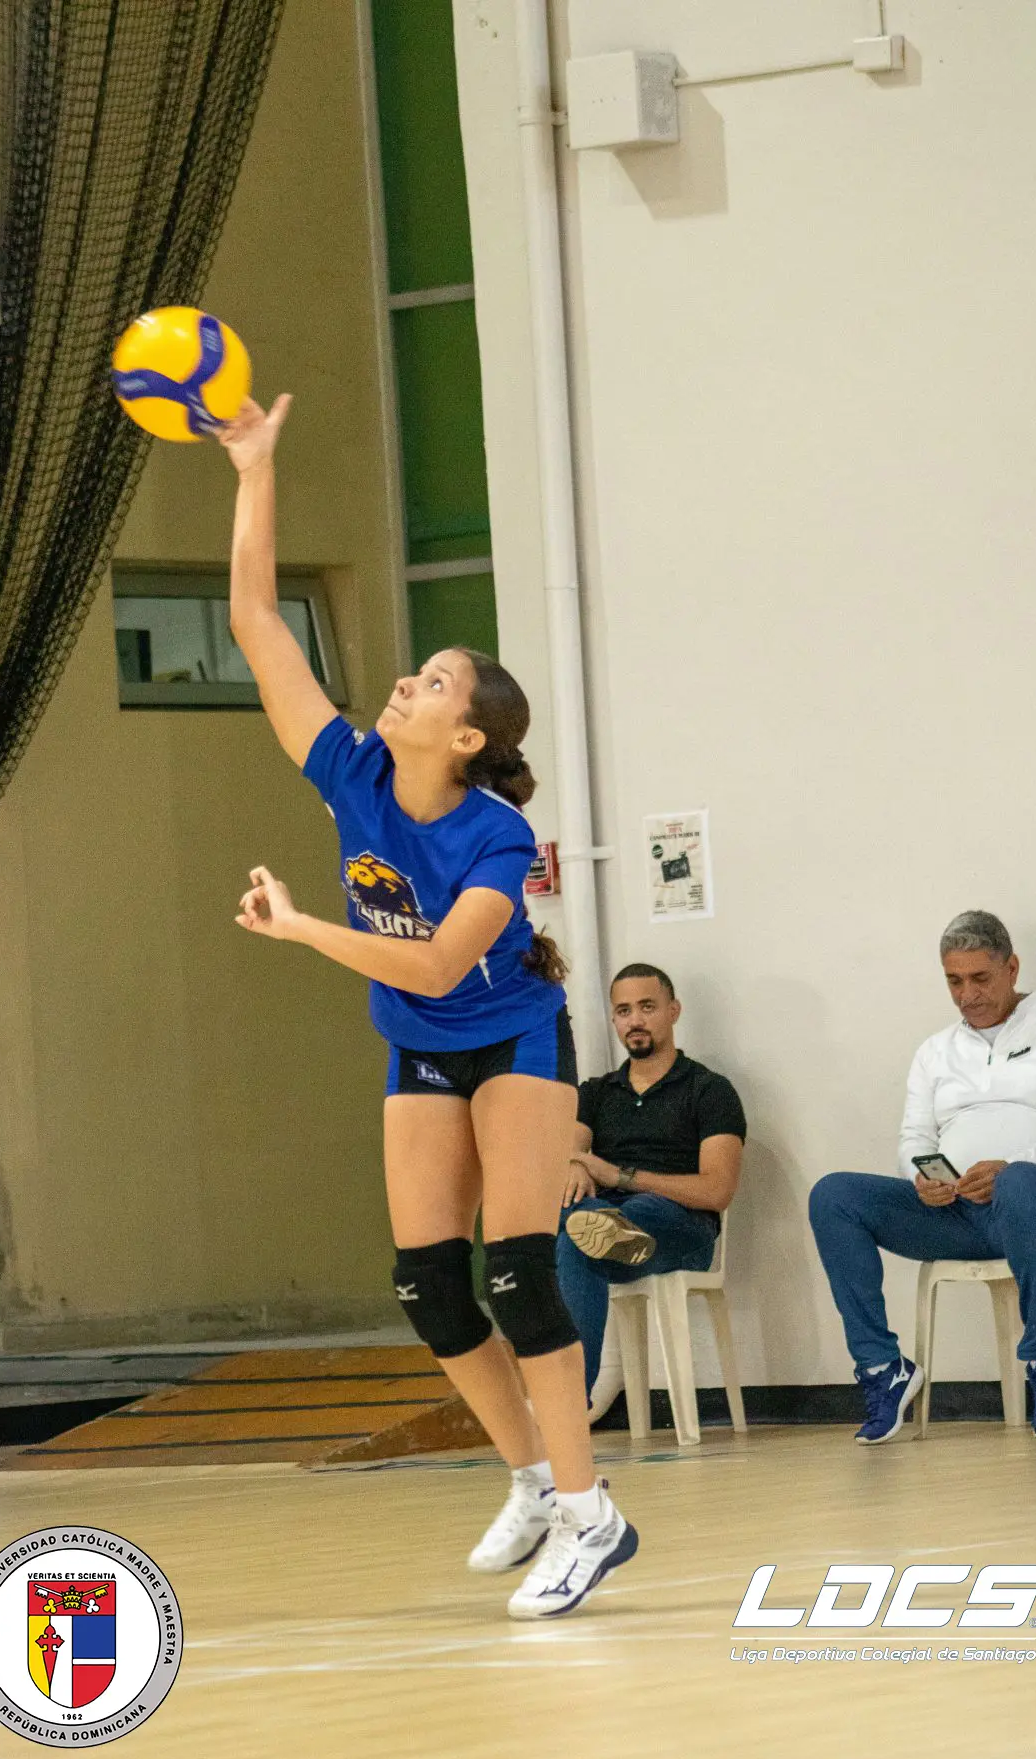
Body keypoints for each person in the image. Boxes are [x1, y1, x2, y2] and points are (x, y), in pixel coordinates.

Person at [216, 393, 637, 1618]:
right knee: (430, 1288)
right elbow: (254, 623)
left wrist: (303, 928)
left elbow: (444, 968)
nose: (406, 681)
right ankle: (530, 1479)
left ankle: (591, 1513)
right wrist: (255, 468)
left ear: (466, 736)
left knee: (520, 1275)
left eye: (435, 681)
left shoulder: (495, 836)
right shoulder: (351, 771)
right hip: (418, 1048)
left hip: (510, 1035)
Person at [810, 910, 1036, 1444]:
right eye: (954, 981)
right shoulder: (935, 1051)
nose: (967, 995)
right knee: (834, 1194)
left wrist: (1017, 1163)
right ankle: (882, 1368)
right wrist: (923, 1176)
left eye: (980, 978)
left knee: (1020, 1181)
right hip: (963, 1214)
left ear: (1011, 968)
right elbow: (914, 1136)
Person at [558, 964, 746, 1415]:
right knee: (574, 1233)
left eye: (647, 1007)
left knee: (605, 1221)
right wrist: (574, 1162)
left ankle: (563, 1404)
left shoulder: (710, 1090)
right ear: (614, 1020)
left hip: (680, 1231)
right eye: (624, 1011)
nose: (635, 1020)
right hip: (603, 1229)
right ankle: (568, 1404)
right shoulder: (596, 1093)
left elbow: (717, 1192)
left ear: (673, 1011)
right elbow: (568, 1152)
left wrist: (619, 1175)